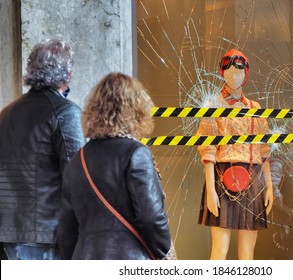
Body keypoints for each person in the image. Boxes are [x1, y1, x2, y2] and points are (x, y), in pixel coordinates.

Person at [58, 72, 172, 260]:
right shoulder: (136, 153)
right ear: (136, 110)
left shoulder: (78, 160)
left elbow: (66, 228)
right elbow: (150, 217)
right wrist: (161, 249)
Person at [0, 39, 85, 260]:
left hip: (8, 233)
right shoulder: (66, 113)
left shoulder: (6, 113)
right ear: (68, 74)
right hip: (45, 236)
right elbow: (78, 176)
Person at [196, 49, 273, 260]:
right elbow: (208, 148)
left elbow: (263, 149)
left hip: (253, 177)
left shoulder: (255, 108)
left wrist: (269, 186)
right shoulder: (214, 105)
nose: (234, 76)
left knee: (248, 252)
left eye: (239, 71)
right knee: (219, 250)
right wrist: (211, 188)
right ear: (222, 73)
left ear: (246, 74)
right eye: (229, 71)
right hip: (222, 176)